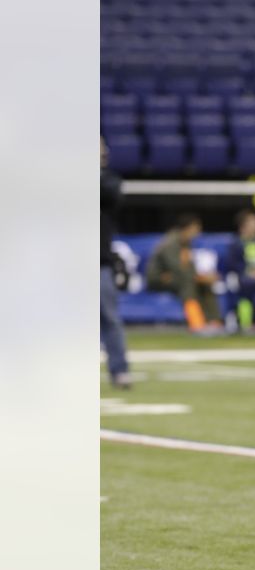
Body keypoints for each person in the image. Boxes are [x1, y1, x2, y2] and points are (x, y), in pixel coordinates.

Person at [146, 213, 222, 332]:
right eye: (196, 229)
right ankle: (197, 325)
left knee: (205, 286)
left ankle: (214, 323)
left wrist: (201, 278)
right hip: (159, 278)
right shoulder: (170, 243)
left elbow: (189, 268)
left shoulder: (186, 243)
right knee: (187, 283)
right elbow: (176, 268)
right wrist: (197, 278)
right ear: (187, 228)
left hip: (175, 276)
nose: (198, 232)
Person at [100, 137, 131, 389]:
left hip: (100, 262)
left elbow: (111, 196)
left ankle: (119, 370)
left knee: (110, 318)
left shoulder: (108, 179)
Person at [224, 210, 255, 332]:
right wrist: (249, 272)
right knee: (247, 285)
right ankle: (246, 323)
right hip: (244, 277)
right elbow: (232, 265)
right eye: (254, 222)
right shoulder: (236, 244)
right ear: (243, 226)